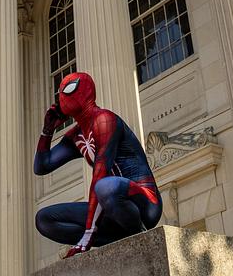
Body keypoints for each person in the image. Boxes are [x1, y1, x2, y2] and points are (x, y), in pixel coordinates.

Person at [32, 71, 162, 258]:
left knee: (105, 186)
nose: (62, 96)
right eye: (59, 91)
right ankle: (117, 239)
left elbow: (101, 174)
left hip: (145, 204)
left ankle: (139, 233)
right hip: (110, 206)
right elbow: (42, 166)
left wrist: (87, 235)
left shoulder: (104, 119)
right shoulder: (76, 136)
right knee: (45, 219)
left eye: (68, 89)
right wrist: (47, 131)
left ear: (85, 90)